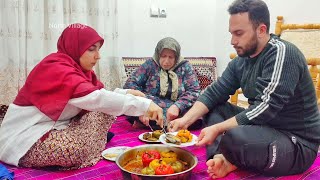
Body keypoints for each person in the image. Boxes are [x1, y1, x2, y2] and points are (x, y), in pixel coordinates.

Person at [168, 0, 320, 178]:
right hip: (263, 128)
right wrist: (185, 120)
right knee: (216, 108)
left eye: (239, 33)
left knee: (234, 138)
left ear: (261, 30)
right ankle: (220, 158)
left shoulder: (282, 53)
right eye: (232, 33)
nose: (233, 41)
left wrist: (217, 129)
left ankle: (230, 156)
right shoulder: (242, 60)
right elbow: (215, 92)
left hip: (297, 144)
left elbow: (266, 108)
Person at [0, 24, 163, 170]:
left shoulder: (77, 70)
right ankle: (92, 146)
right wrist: (145, 104)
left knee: (101, 111)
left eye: (98, 49)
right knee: (75, 149)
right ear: (74, 47)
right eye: (91, 49)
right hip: (24, 137)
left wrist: (125, 94)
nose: (98, 56)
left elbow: (94, 95)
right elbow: (95, 98)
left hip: (54, 126)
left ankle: (92, 144)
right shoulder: (57, 69)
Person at [123, 37, 201, 129]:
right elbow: (130, 84)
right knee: (130, 105)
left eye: (171, 57)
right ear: (158, 54)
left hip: (177, 107)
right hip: (153, 104)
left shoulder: (185, 66)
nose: (166, 61)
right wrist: (143, 106)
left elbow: (194, 90)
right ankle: (171, 125)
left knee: (198, 114)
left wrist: (178, 106)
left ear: (176, 57)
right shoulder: (150, 64)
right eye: (163, 56)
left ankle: (151, 125)